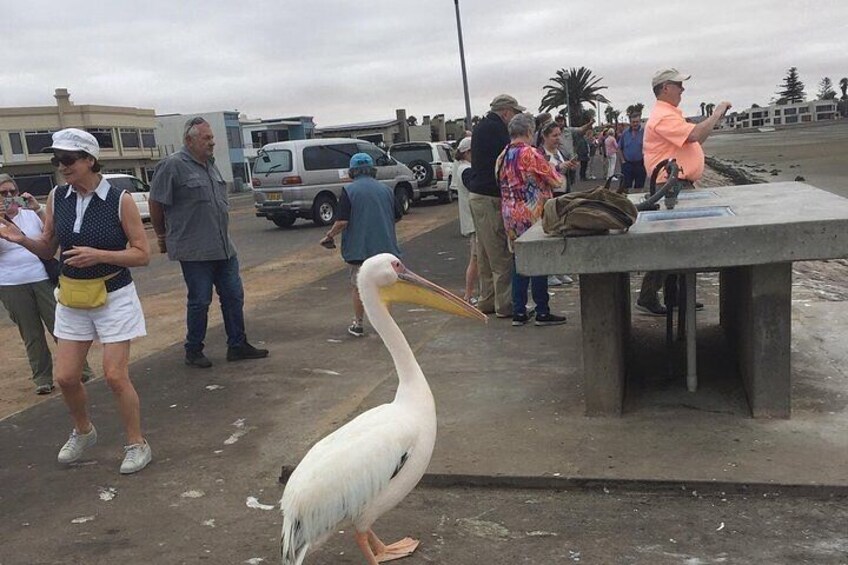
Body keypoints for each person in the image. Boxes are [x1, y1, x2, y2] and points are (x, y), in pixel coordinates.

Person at [0, 128, 152, 474]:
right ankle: (83, 431)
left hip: (114, 295)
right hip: (72, 295)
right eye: (57, 160)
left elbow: (143, 254)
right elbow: (47, 247)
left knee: (115, 376)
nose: (62, 166)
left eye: (68, 159)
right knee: (66, 377)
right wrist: (20, 238)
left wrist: (100, 254)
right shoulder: (57, 196)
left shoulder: (120, 199)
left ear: (89, 160)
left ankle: (136, 443)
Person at [149, 117, 268, 368]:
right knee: (200, 301)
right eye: (206, 138)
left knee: (234, 296)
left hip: (224, 248)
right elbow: (156, 203)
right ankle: (193, 350)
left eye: (212, 138)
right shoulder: (172, 166)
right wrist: (161, 236)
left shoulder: (210, 165)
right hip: (195, 250)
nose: (212, 142)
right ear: (189, 140)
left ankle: (237, 345)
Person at [636, 68, 732, 315]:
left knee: (675, 243)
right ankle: (649, 296)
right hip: (671, 187)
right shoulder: (663, 117)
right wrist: (717, 113)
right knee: (671, 244)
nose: (683, 89)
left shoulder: (669, 114)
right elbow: (696, 134)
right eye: (679, 85)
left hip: (676, 185)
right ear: (665, 88)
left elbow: (694, 138)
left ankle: (676, 297)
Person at [0, 174, 94, 395]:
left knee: (60, 327)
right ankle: (42, 378)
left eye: (13, 192)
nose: (9, 197)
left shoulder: (30, 214)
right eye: (3, 193)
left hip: (42, 277)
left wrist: (37, 209)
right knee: (31, 334)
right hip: (11, 283)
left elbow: (56, 234)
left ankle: (81, 370)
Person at [496, 113, 568, 328]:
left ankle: (518, 310)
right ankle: (542, 311)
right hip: (532, 212)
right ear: (529, 131)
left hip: (509, 213)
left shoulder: (502, 155)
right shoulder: (530, 153)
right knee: (539, 261)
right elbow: (556, 180)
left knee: (519, 262)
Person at [319, 153, 402, 336]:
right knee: (384, 288)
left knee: (359, 286)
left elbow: (342, 222)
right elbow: (397, 215)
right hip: (385, 248)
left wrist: (329, 235)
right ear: (372, 169)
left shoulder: (349, 191)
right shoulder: (386, 190)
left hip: (359, 249)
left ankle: (358, 324)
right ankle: (387, 326)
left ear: (352, 170)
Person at [468, 94, 525, 318]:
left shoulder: (481, 126)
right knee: (500, 254)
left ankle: (487, 300)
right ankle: (505, 305)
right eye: (514, 113)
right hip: (490, 197)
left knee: (484, 253)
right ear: (506, 112)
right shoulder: (497, 130)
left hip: (477, 196)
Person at [535, 116, 576, 287]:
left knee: (562, 232)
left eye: (559, 135)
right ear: (544, 136)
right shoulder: (540, 154)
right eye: (554, 135)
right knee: (550, 233)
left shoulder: (560, 152)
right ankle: (549, 271)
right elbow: (543, 173)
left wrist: (570, 168)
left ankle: (560, 269)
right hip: (548, 198)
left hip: (563, 195)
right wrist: (560, 168)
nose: (557, 138)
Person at [450, 137, 478, 303]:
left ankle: (470, 294)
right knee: (475, 260)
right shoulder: (465, 170)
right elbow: (474, 187)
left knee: (476, 260)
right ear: (467, 152)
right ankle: (468, 294)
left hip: (471, 220)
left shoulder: (461, 168)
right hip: (473, 221)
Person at [618, 113, 647, 190]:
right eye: (633, 122)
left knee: (639, 188)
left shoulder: (645, 133)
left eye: (637, 122)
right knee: (624, 188)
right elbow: (619, 148)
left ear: (640, 121)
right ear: (630, 122)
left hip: (640, 164)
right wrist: (623, 161)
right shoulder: (625, 133)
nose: (635, 124)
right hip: (627, 164)